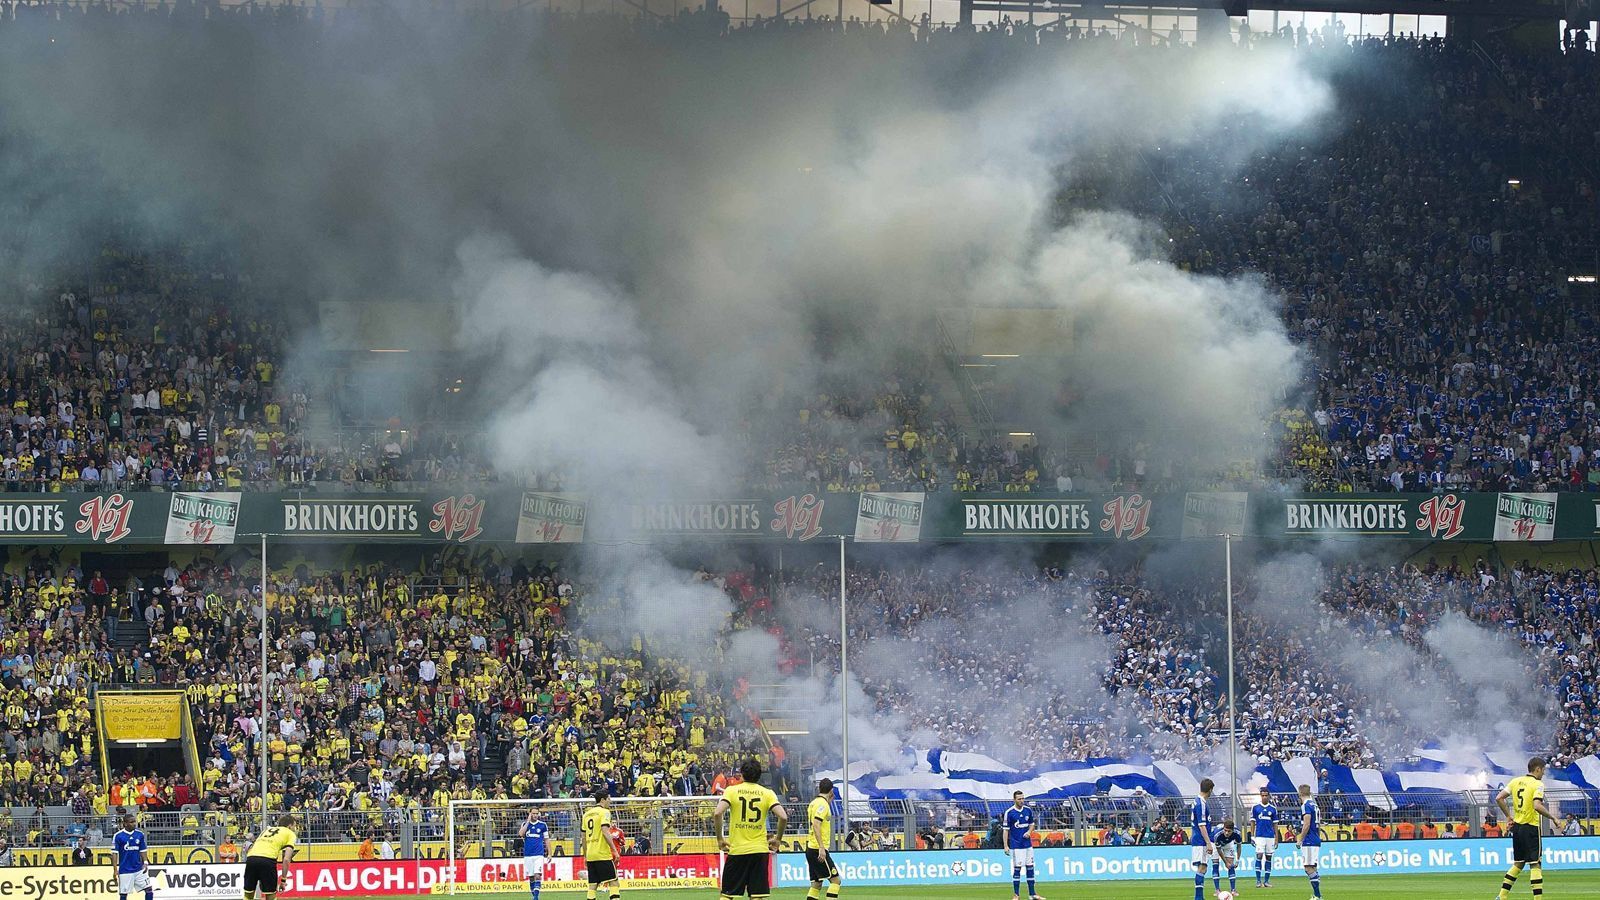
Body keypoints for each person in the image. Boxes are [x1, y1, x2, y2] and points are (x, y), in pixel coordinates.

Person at [1495, 757, 1572, 900]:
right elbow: (1537, 805)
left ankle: (1502, 896)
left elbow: (1499, 798)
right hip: (1530, 827)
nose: (1543, 773)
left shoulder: (1515, 781)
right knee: (1535, 863)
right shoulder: (1538, 784)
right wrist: (1553, 818)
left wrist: (1508, 816)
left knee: (1518, 863)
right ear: (1537, 769)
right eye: (1543, 770)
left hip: (1517, 828)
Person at [714, 758, 786, 900]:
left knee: (727, 895)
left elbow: (717, 813)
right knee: (757, 896)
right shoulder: (767, 793)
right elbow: (783, 817)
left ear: (742, 774)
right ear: (760, 775)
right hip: (759, 851)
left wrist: (720, 839)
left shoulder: (731, 791)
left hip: (738, 850)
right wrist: (778, 839)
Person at [244, 814, 299, 900]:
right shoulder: (290, 834)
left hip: (251, 858)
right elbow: (286, 859)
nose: (295, 829)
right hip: (267, 860)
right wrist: (283, 880)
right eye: (294, 826)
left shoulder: (267, 830)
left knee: (248, 895)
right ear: (289, 826)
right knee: (271, 896)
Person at [1002, 791, 1043, 900]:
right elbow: (1005, 831)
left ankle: (1032, 894)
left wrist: (1029, 832)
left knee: (1030, 867)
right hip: (1016, 845)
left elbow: (1032, 824)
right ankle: (1016, 895)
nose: (1021, 801)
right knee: (1017, 869)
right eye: (1019, 799)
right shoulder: (1009, 812)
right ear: (1014, 799)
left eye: (1023, 798)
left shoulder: (1028, 810)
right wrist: (1006, 846)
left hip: (1028, 845)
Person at [805, 779, 841, 900]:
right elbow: (816, 824)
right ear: (831, 791)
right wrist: (821, 847)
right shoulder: (823, 804)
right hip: (817, 849)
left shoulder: (814, 802)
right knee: (835, 880)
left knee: (816, 884)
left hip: (811, 848)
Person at [581, 791, 620, 900]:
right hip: (602, 853)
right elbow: (605, 831)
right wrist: (614, 850)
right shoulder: (605, 812)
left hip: (590, 854)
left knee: (593, 884)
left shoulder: (586, 814)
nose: (610, 801)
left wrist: (585, 856)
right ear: (602, 799)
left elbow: (583, 838)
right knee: (614, 881)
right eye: (609, 799)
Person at [114, 813, 154, 900]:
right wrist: (115, 870)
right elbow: (114, 853)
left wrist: (145, 862)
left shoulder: (139, 834)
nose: (134, 824)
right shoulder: (118, 836)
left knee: (149, 889)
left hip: (138, 869)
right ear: (125, 823)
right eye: (131, 822)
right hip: (125, 870)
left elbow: (143, 850)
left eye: (134, 822)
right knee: (123, 894)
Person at [1295, 785, 1322, 900]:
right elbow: (1319, 825)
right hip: (1315, 838)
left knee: (1308, 868)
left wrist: (1300, 839)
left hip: (1309, 840)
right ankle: (1317, 894)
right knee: (1313, 868)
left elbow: (1306, 824)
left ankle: (1318, 895)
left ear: (1300, 794)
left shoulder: (1305, 806)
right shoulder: (1315, 805)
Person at [1191, 779, 1217, 900]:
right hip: (1201, 840)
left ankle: (1199, 897)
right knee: (1202, 866)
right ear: (1210, 789)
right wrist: (1208, 843)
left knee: (1203, 866)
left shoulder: (1196, 801)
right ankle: (1198, 898)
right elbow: (1202, 825)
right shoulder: (1201, 803)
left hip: (1197, 838)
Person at [520, 807, 549, 900]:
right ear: (530, 814)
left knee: (537, 875)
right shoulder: (525, 824)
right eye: (533, 813)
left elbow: (547, 840)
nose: (535, 815)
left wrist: (550, 853)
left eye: (537, 813)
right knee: (531, 877)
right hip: (528, 855)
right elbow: (521, 834)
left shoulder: (542, 825)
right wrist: (528, 821)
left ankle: (536, 897)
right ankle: (535, 897)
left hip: (539, 854)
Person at [1251, 787, 1278, 887]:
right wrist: (1252, 836)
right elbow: (1253, 822)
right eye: (1262, 795)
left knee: (1269, 858)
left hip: (1270, 837)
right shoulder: (1255, 808)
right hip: (1259, 836)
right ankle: (1258, 881)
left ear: (1269, 796)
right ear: (1260, 796)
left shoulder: (1273, 809)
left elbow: (1275, 824)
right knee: (1259, 856)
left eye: (1266, 795)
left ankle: (1266, 881)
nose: (1264, 797)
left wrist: (1276, 838)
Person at [1211, 819, 1242, 894]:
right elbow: (1219, 850)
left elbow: (1239, 846)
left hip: (1228, 844)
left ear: (1233, 830)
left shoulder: (1237, 833)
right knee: (1215, 864)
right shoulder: (1217, 834)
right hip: (1214, 844)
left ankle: (1233, 890)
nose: (1226, 833)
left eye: (1229, 831)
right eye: (1225, 830)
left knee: (1231, 865)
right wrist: (1225, 862)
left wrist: (1237, 860)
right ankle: (1217, 890)